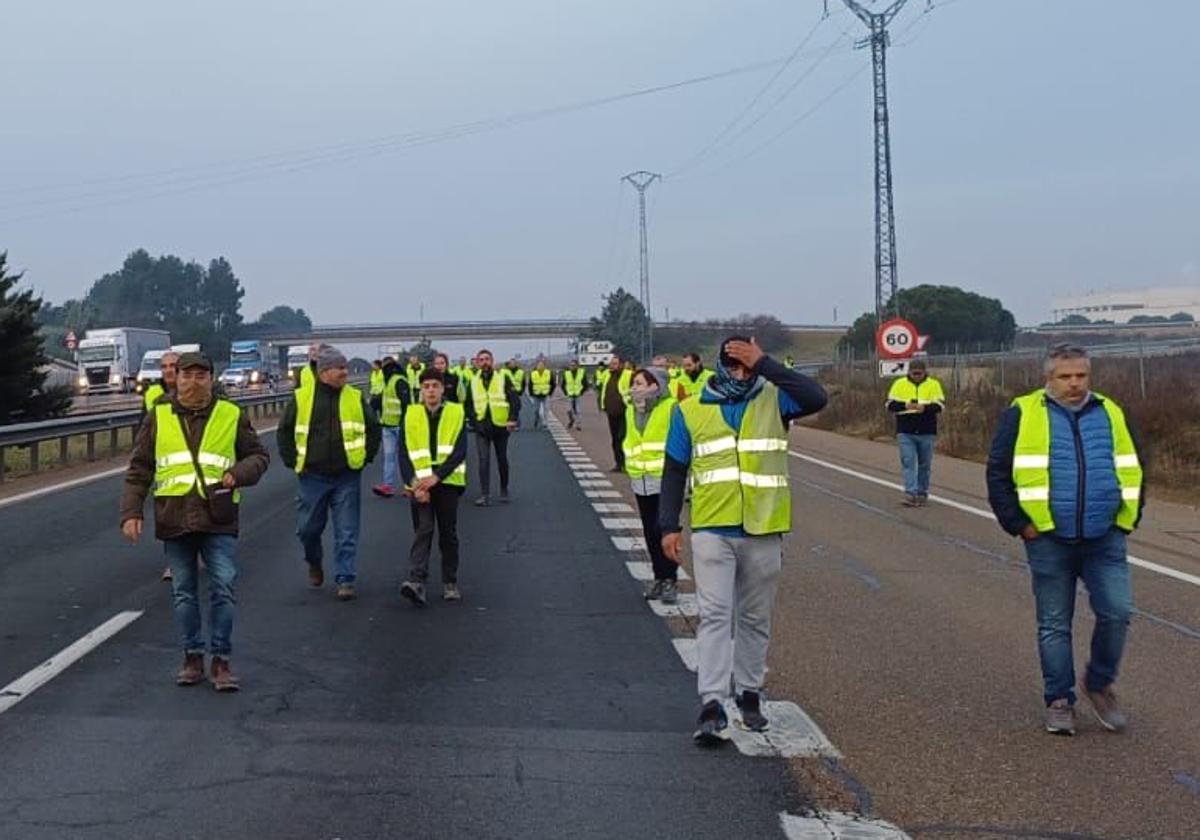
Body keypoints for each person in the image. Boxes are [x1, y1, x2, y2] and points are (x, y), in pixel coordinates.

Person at [659, 336, 827, 745]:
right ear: (720, 366)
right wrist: (669, 524)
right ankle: (712, 703)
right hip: (713, 528)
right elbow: (674, 469)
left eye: (747, 365)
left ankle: (749, 692)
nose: (742, 373)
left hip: (763, 528)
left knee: (754, 617)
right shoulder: (690, 409)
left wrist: (766, 363)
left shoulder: (774, 399)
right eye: (735, 365)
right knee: (715, 615)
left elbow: (816, 397)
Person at [986, 343, 1144, 737]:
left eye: (1081, 376)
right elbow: (999, 472)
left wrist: (1127, 520)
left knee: (1118, 611)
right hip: (1047, 538)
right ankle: (1059, 699)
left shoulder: (1110, 411)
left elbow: (1133, 466)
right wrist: (1019, 524)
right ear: (1048, 378)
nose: (1074, 384)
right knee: (1055, 623)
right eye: (1065, 377)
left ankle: (1100, 683)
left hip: (1104, 537)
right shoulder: (1023, 412)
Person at [119, 352, 270, 691]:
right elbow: (140, 467)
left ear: (211, 380)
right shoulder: (159, 415)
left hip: (218, 515)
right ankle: (192, 656)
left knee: (224, 588)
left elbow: (259, 456)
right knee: (184, 593)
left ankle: (221, 660)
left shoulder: (230, 414)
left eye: (201, 376)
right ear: (177, 378)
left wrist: (238, 474)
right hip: (174, 516)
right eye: (186, 376)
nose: (192, 382)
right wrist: (131, 512)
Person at [278, 346, 381, 601]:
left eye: (345, 367)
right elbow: (284, 430)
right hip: (313, 476)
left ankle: (345, 578)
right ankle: (314, 562)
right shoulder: (303, 398)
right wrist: (292, 460)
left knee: (346, 530)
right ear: (324, 372)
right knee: (308, 530)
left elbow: (373, 428)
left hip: (346, 475)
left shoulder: (354, 396)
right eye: (340, 368)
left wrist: (366, 456)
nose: (345, 373)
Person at [398, 369, 469, 605]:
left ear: (442, 389)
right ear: (421, 389)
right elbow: (404, 453)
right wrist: (414, 483)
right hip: (419, 486)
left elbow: (459, 451)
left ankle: (450, 581)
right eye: (426, 386)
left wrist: (437, 477)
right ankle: (417, 581)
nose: (430, 390)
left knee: (447, 534)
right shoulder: (410, 414)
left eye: (434, 386)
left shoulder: (456, 413)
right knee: (423, 530)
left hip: (446, 483)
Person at [623, 367, 679, 604]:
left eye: (639, 383)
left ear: (655, 385)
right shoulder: (630, 410)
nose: (634, 387)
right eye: (634, 383)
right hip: (641, 477)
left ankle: (670, 580)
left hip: (664, 479)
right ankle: (659, 576)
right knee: (649, 531)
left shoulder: (671, 408)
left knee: (665, 530)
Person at [885, 358, 946, 507]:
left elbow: (940, 406)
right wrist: (906, 405)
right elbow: (890, 405)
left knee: (924, 464)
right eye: (914, 373)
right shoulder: (899, 384)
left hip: (927, 430)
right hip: (905, 430)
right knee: (908, 461)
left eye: (919, 373)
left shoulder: (933, 385)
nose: (916, 376)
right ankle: (910, 493)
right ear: (909, 372)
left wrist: (924, 408)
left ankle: (922, 492)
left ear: (925, 372)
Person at [464, 348, 520, 506]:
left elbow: (515, 400)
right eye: (481, 360)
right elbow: (468, 404)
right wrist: (474, 421)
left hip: (501, 426)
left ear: (492, 361)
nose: (484, 362)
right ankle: (484, 494)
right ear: (477, 363)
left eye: (487, 359)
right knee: (483, 461)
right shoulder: (473, 381)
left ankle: (504, 489)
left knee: (502, 459)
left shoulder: (503, 378)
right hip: (482, 427)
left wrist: (512, 419)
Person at [146, 350, 181, 582]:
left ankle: (194, 554)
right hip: (166, 467)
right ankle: (176, 563)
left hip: (196, 465)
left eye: (173, 366)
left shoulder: (196, 391)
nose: (168, 370)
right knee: (169, 518)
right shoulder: (153, 395)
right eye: (164, 366)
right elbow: (145, 429)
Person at [372, 356, 410, 497]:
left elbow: (407, 404)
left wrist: (404, 423)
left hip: (399, 425)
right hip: (387, 425)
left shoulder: (399, 381)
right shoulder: (388, 382)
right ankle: (387, 486)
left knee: (404, 457)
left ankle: (409, 485)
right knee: (389, 457)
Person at [599, 355, 633, 472]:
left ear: (621, 365)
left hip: (624, 411)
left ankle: (626, 462)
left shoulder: (628, 375)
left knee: (622, 437)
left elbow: (634, 389)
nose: (611, 366)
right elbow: (602, 388)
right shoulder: (607, 375)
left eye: (615, 363)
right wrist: (603, 405)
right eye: (611, 363)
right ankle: (618, 463)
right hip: (611, 412)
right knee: (614, 439)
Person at [561, 359, 588, 430]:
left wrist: (581, 391)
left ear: (577, 366)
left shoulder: (581, 373)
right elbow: (563, 384)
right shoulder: (567, 373)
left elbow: (585, 384)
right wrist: (565, 392)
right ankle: (571, 420)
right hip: (569, 394)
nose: (572, 367)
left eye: (573, 365)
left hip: (577, 394)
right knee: (568, 409)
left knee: (577, 410)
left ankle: (578, 425)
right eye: (571, 365)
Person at [528, 358, 555, 430]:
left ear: (544, 366)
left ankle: (545, 424)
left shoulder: (548, 373)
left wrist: (550, 392)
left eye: (542, 365)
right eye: (539, 365)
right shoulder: (533, 373)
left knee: (546, 409)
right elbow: (530, 384)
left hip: (545, 394)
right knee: (536, 410)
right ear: (536, 366)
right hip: (536, 394)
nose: (540, 366)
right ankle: (536, 420)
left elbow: (553, 383)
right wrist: (531, 393)